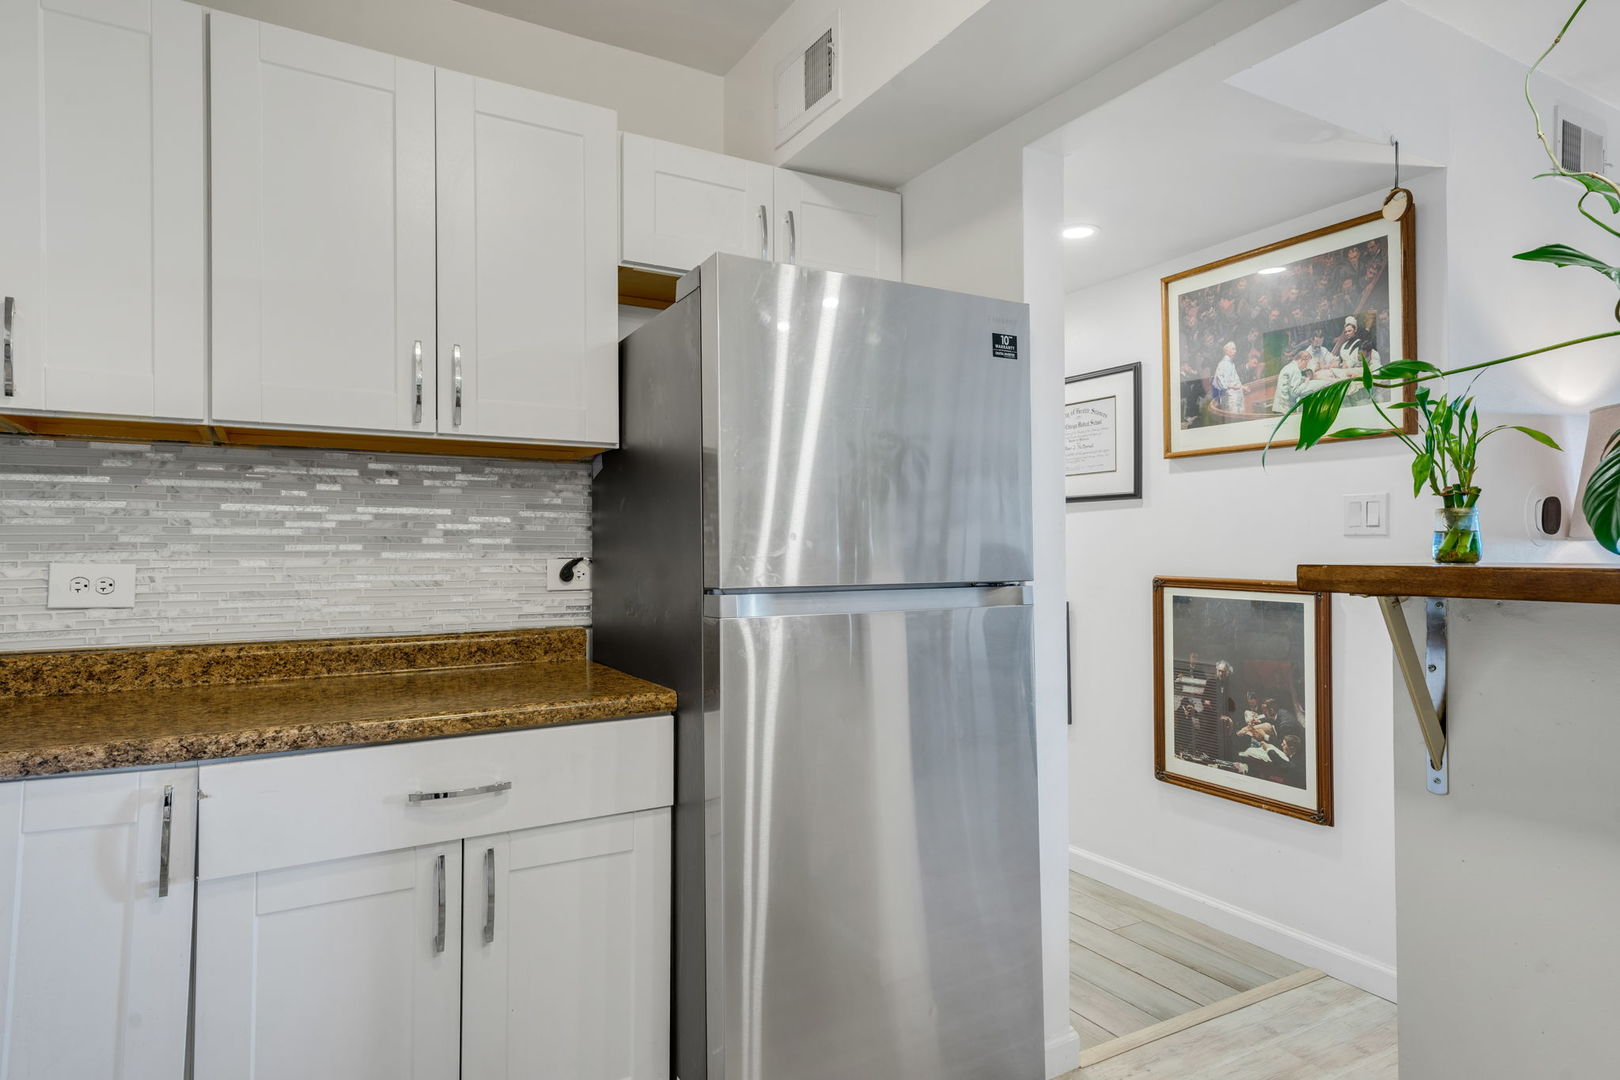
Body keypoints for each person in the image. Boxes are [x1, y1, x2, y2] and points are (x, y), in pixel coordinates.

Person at [1273, 348, 1314, 414]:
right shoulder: (1296, 370)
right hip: (1285, 410)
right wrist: (1306, 382)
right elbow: (1294, 393)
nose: (1306, 366)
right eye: (1307, 362)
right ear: (1302, 360)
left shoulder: (1288, 367)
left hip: (1278, 407)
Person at [1212, 342, 1244, 414]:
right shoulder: (1224, 364)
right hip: (1230, 397)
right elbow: (1223, 384)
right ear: (1226, 351)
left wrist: (1241, 387)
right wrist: (1236, 387)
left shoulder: (1230, 363)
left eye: (1235, 349)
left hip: (1235, 395)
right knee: (1234, 417)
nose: (1235, 351)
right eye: (1233, 349)